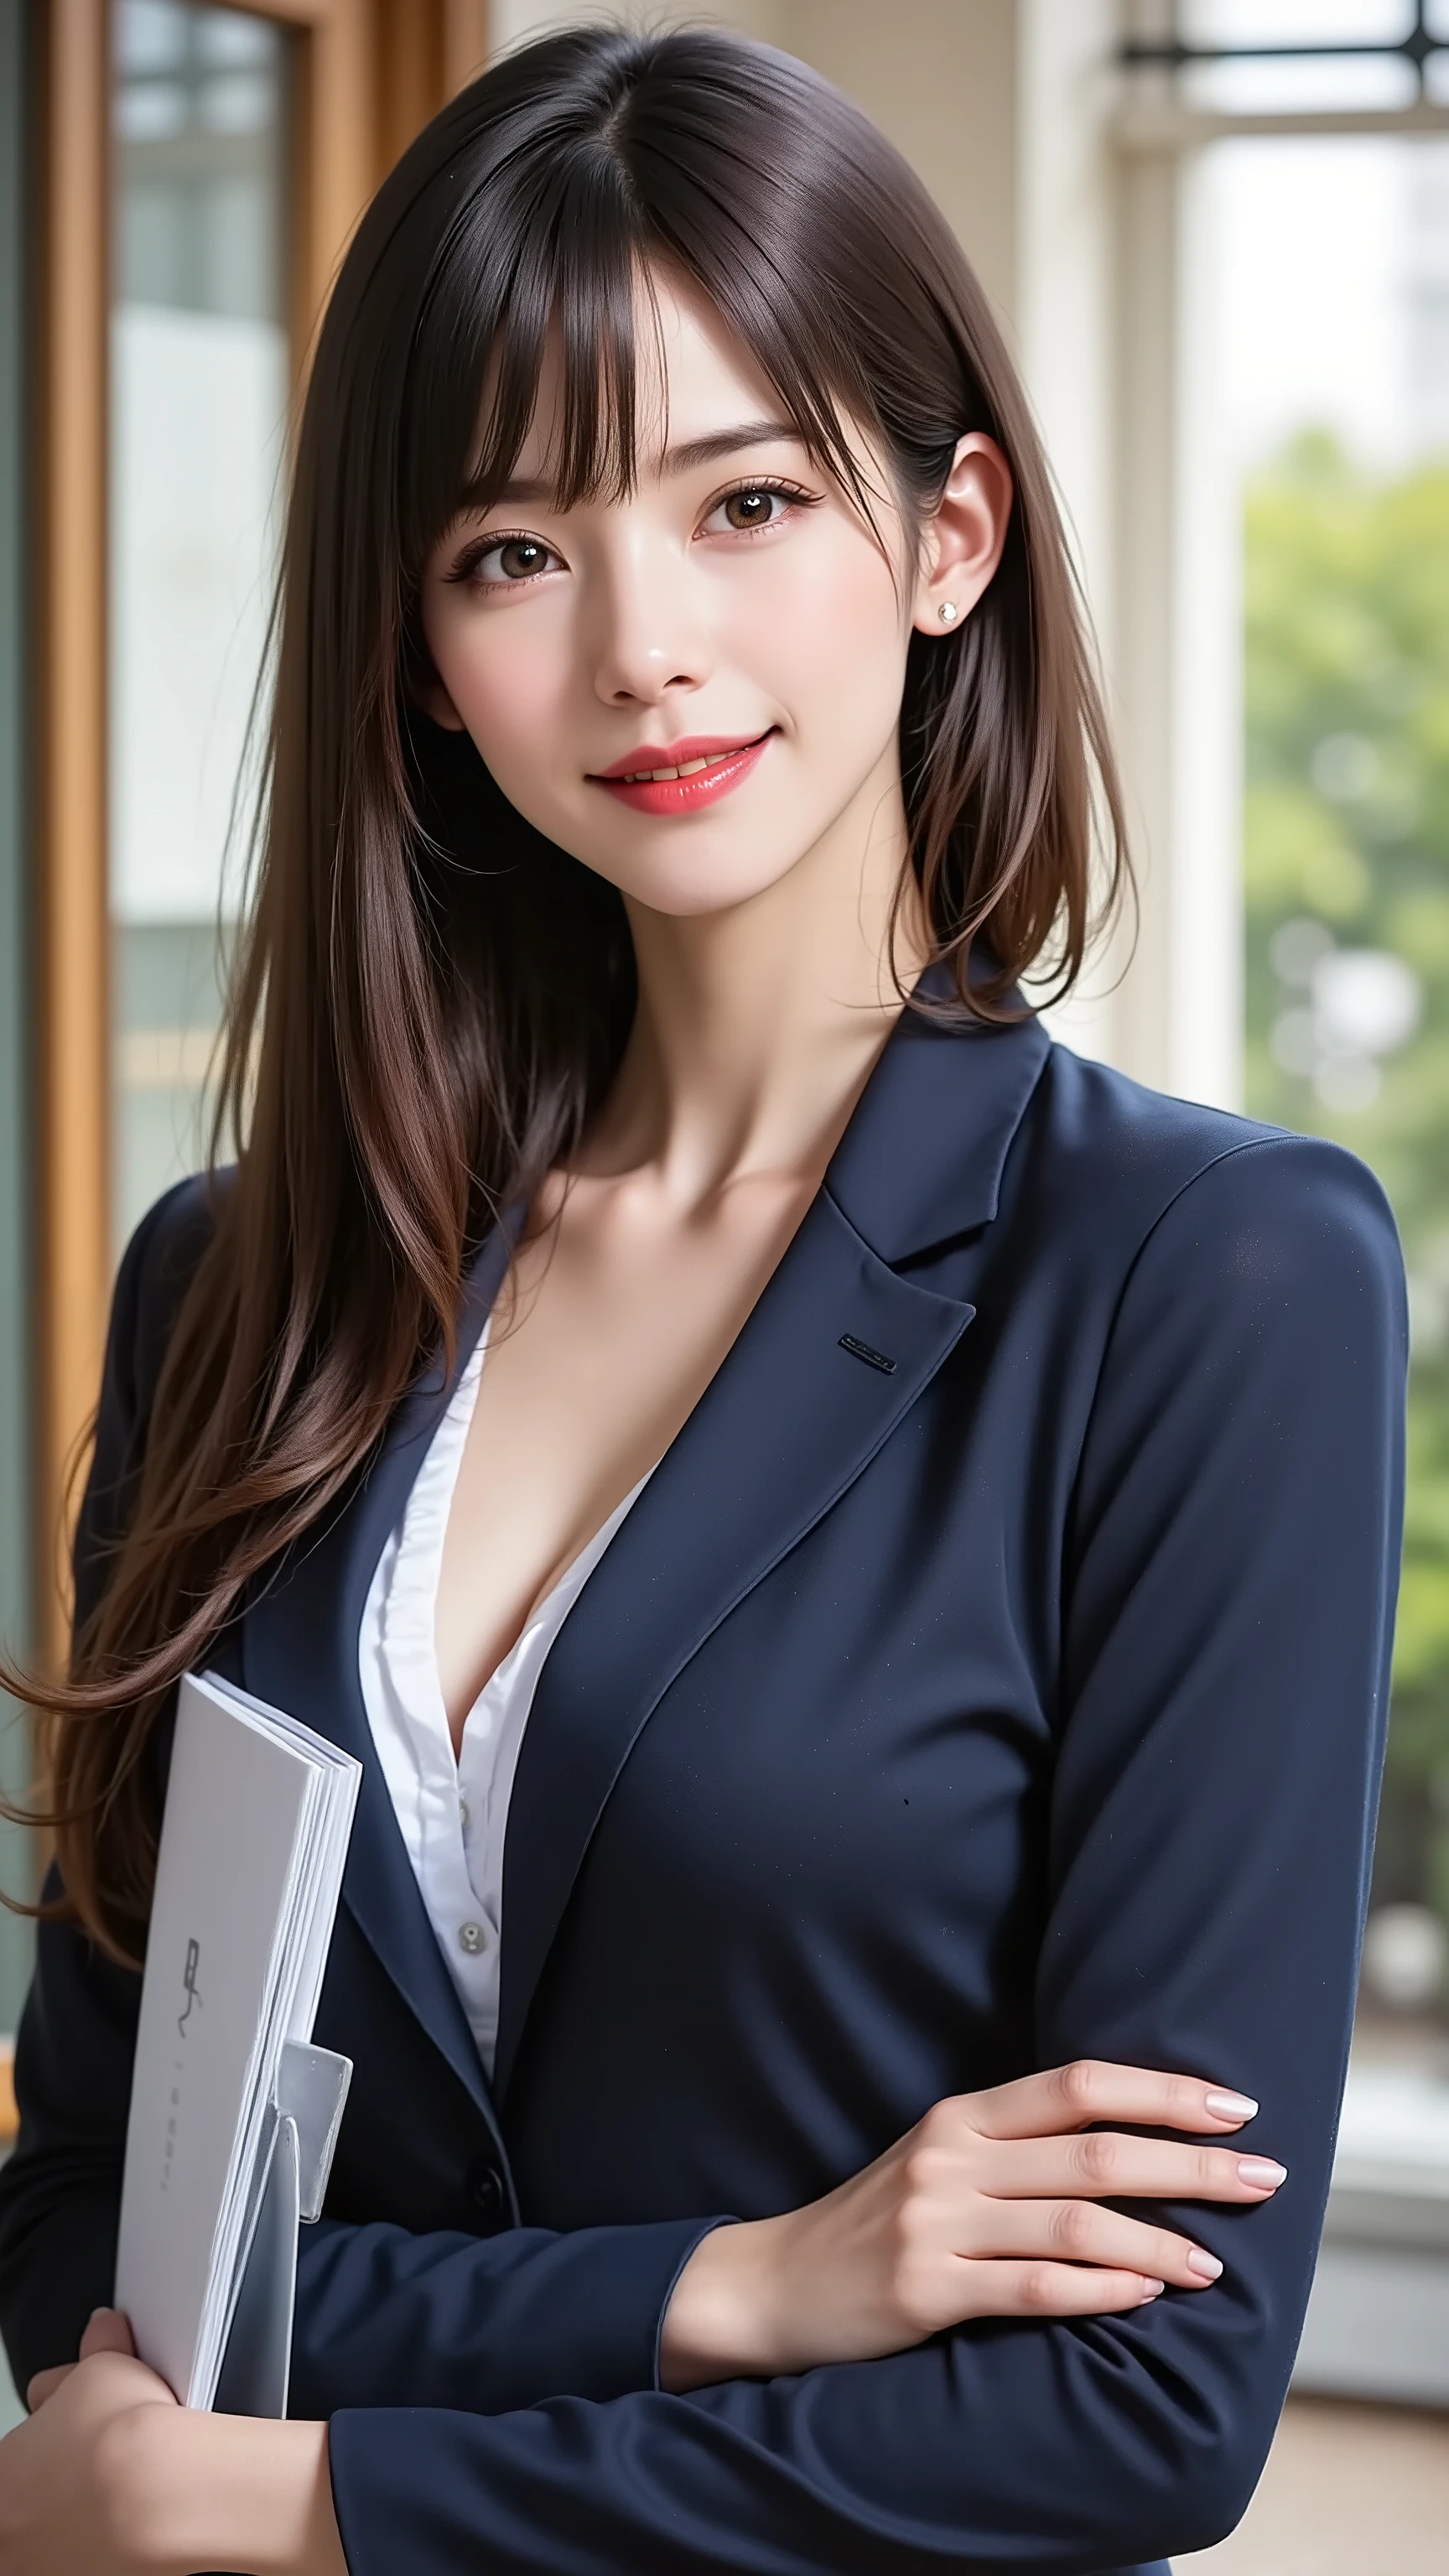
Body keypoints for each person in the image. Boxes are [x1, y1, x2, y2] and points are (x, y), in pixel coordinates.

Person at [0, 23, 1405, 2576]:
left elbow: (1144, 2406)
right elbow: (91, 2240)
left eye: (746, 499)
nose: (644, 645)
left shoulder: (1209, 1284)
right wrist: (742, 2291)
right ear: (422, 649)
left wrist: (310, 2496)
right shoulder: (237, 1291)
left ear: (949, 529)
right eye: (515, 549)